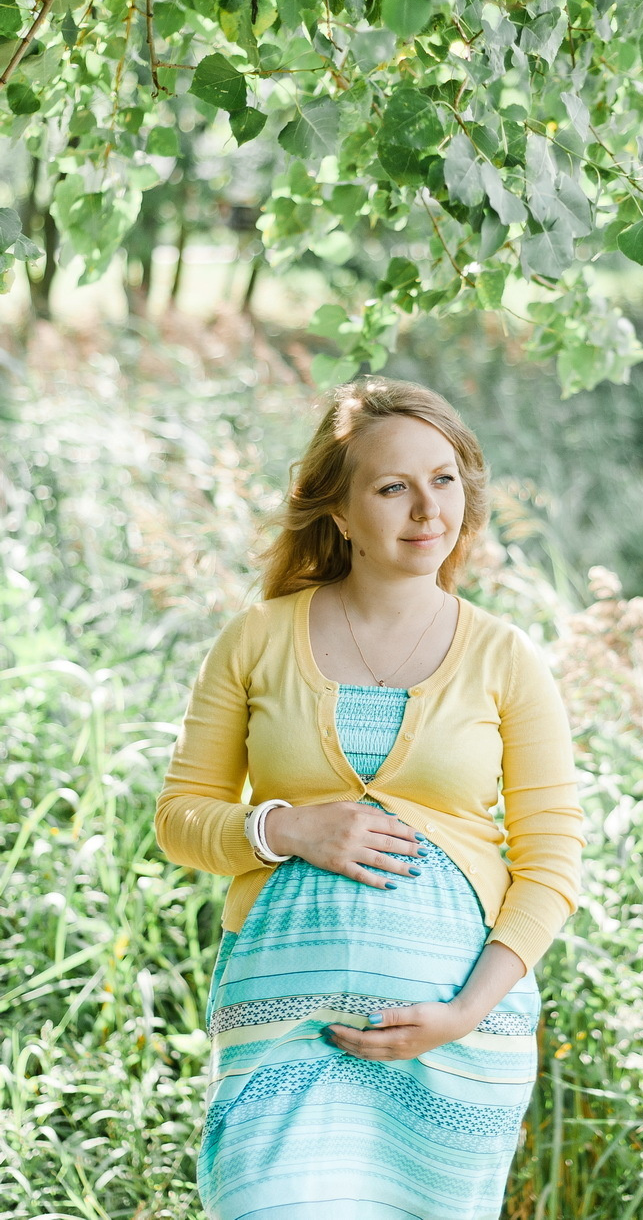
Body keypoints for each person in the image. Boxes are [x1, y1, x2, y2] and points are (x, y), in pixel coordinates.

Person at [155, 374, 585, 1220]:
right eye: (393, 486)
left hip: (456, 1046)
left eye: (444, 479)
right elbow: (180, 820)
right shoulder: (258, 638)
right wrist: (284, 828)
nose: (428, 509)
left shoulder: (505, 658)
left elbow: (553, 861)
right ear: (340, 512)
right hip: (282, 1037)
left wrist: (462, 1013)